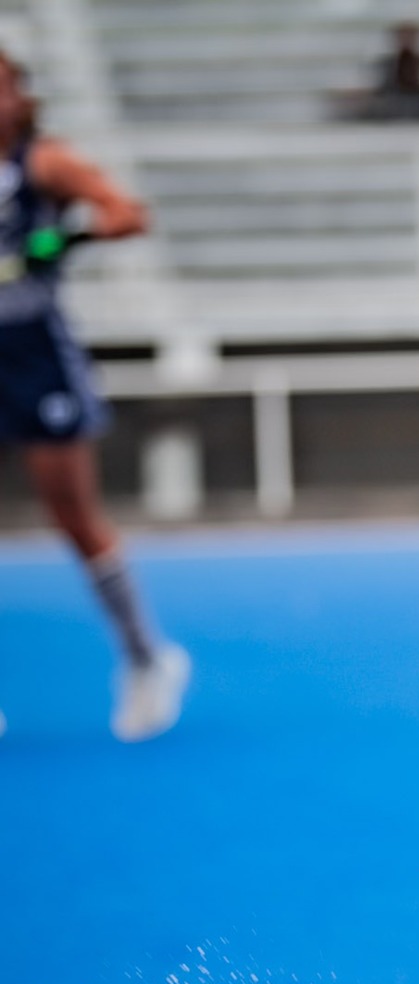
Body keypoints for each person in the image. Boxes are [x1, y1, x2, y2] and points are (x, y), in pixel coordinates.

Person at [0, 50, 187, 742]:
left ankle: (146, 660)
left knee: (74, 519)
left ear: (20, 97)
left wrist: (66, 235)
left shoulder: (44, 164)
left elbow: (129, 214)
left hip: (36, 359)